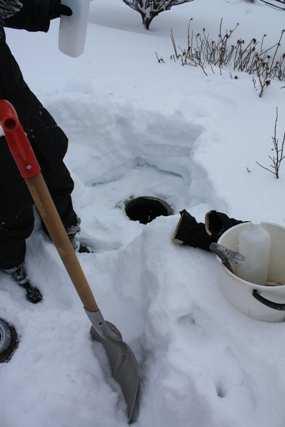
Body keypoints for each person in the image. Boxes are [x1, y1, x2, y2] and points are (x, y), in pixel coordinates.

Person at [0, 0, 85, 303]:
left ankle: (62, 223)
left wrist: (42, 8)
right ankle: (9, 257)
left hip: (4, 75)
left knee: (49, 143)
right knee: (8, 176)